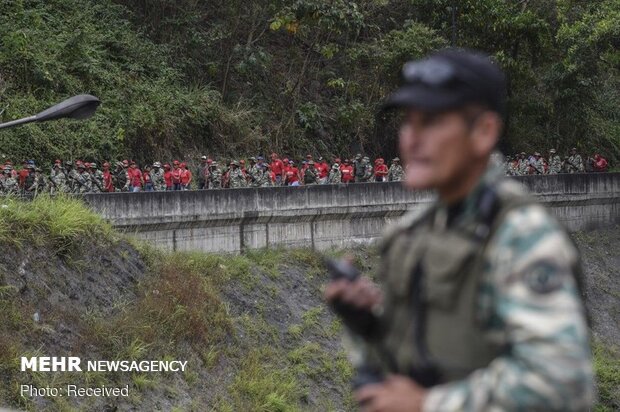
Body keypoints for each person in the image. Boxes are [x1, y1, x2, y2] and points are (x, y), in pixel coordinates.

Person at [324, 49, 594, 412]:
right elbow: (406, 368)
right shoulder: (410, 232)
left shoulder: (520, 234)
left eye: (432, 122)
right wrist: (365, 326)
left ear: (483, 132)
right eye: (409, 121)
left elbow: (562, 384)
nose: (412, 139)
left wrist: (430, 404)